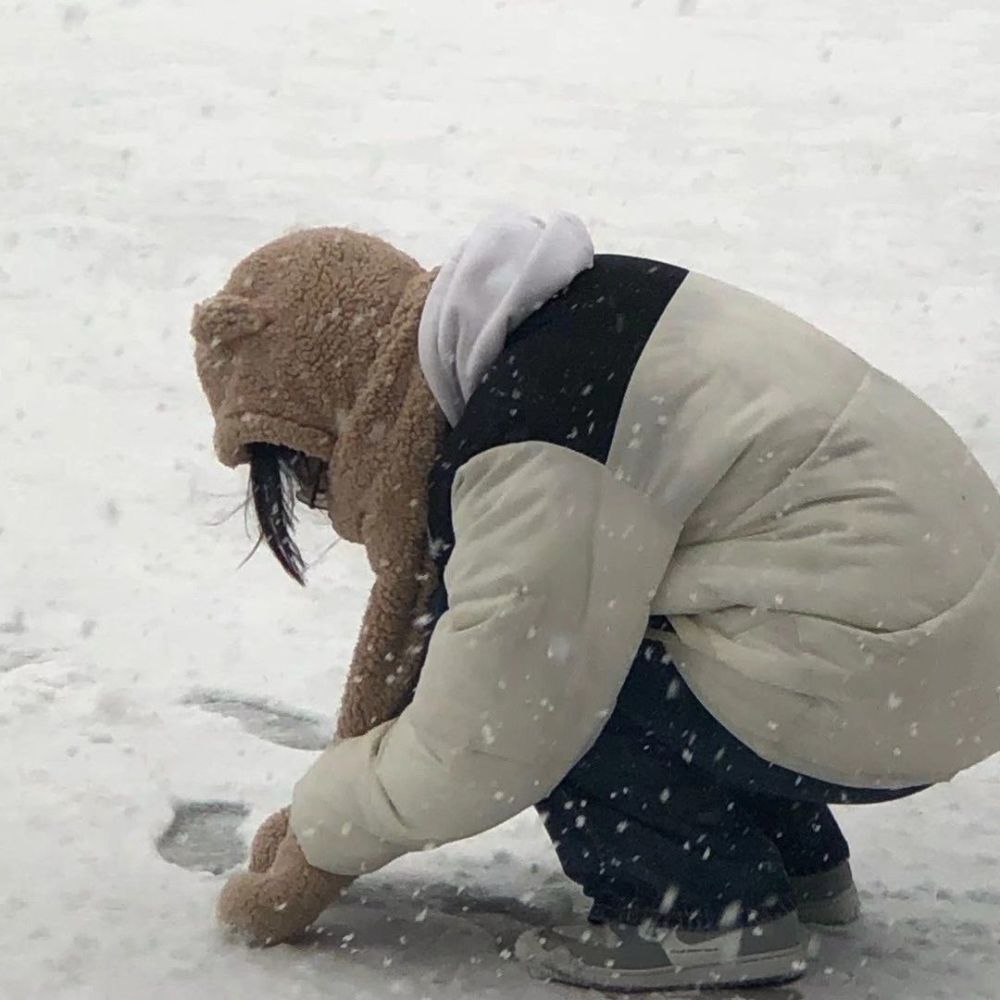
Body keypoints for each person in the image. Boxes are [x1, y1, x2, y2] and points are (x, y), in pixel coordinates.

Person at [191, 211, 1000, 992]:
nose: (331, 505)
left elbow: (490, 734)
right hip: (937, 658)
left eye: (311, 473)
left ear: (352, 408)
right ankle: (793, 864)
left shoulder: (535, 432)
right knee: (643, 613)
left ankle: (705, 915)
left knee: (559, 673)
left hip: (892, 670)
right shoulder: (573, 318)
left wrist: (325, 823)